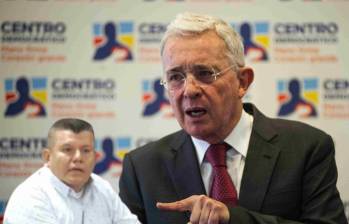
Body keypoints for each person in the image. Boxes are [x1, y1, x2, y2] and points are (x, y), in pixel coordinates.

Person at [119, 12, 347, 224]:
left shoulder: (306, 148)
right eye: (176, 77)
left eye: (205, 73)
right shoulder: (142, 168)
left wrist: (233, 218)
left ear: (242, 82)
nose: (189, 90)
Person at [4, 118, 140, 224]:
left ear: (95, 156)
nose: (78, 158)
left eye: (86, 150)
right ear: (48, 156)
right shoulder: (31, 197)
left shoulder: (102, 188)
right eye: (67, 150)